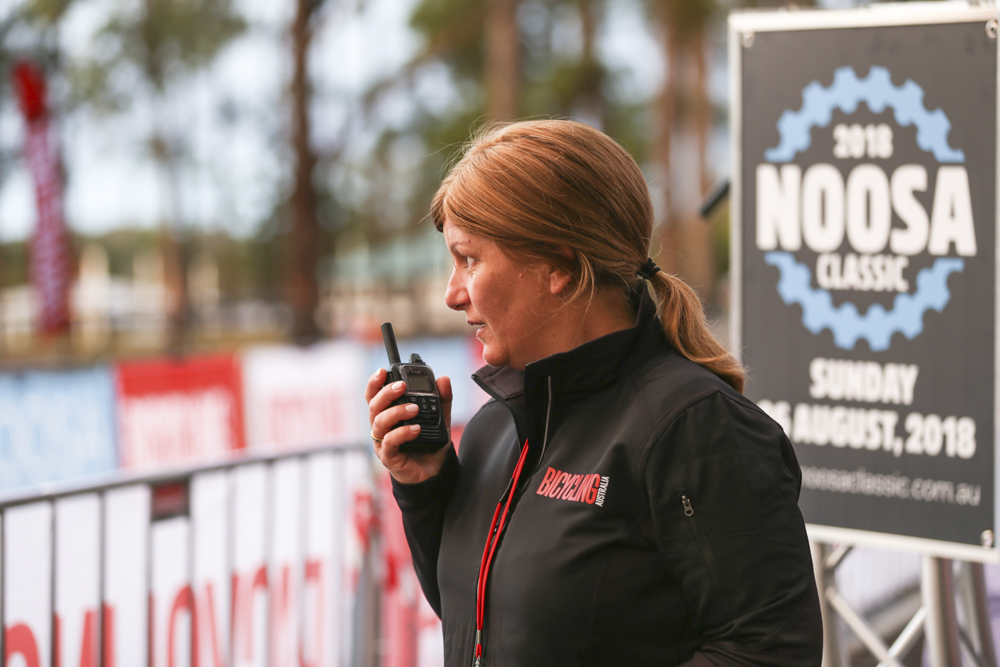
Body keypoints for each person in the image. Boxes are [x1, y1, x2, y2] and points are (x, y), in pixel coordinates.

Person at [365, 120, 823, 667]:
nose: (451, 293)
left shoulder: (693, 424)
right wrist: (426, 485)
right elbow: (483, 623)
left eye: (470, 259)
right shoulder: (494, 425)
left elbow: (768, 649)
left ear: (557, 265)